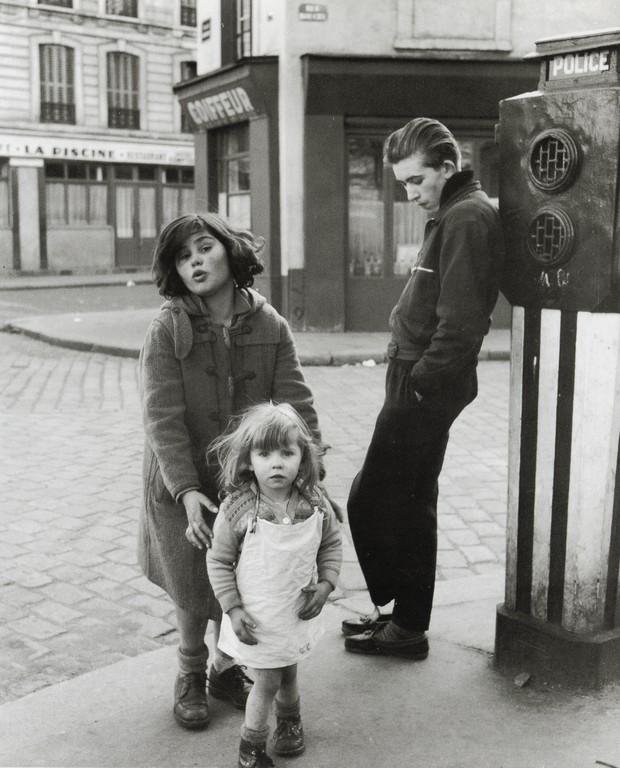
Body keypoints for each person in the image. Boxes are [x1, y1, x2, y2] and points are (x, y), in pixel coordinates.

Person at [138, 213, 326, 731]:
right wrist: (186, 490)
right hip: (182, 481)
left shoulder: (270, 326)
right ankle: (190, 671)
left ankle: (225, 668)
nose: (194, 261)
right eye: (183, 256)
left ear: (230, 251)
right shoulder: (166, 327)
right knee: (192, 578)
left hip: (250, 481)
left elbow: (297, 407)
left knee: (245, 574)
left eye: (203, 248)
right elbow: (161, 417)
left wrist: (313, 472)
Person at [343, 117, 503, 657]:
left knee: (375, 500)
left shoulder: (466, 218)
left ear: (447, 168)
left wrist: (419, 387)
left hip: (424, 381)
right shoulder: (452, 212)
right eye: (403, 184)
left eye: (416, 181)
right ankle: (402, 617)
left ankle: (406, 624)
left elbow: (461, 325)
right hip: (415, 375)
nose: (410, 194)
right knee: (408, 501)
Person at [207, 402, 342, 768]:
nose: (277, 462)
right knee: (265, 681)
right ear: (249, 460)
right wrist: (232, 609)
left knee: (291, 667)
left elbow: (330, 544)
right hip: (258, 616)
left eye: (287, 452)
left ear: (303, 457)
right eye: (265, 453)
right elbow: (219, 560)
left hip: (295, 610)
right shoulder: (239, 509)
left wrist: (327, 583)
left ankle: (289, 721)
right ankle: (250, 748)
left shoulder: (313, 504)